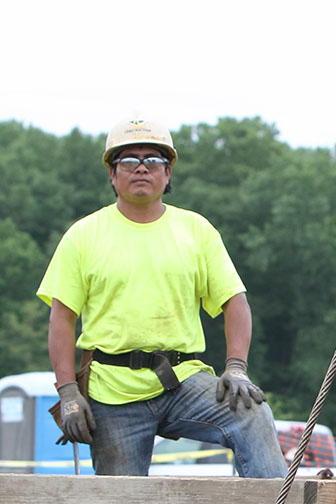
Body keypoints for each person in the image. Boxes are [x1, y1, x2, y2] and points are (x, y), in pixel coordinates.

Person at [37, 115, 288, 479]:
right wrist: (68, 393)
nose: (142, 168)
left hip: (183, 380)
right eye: (129, 160)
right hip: (112, 392)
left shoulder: (196, 231)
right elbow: (62, 319)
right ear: (112, 174)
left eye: (153, 160)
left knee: (251, 412)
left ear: (167, 174)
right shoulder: (84, 236)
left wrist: (236, 367)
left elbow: (235, 301)